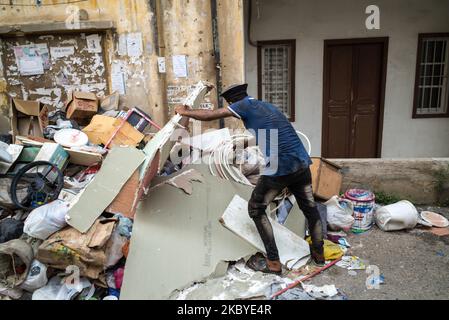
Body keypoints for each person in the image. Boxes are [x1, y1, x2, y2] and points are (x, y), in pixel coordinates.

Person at [175, 83, 324, 274]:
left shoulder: (242, 106)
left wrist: (184, 112)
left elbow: (210, 114)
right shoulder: (266, 106)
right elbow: (268, 132)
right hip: (301, 163)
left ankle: (273, 263)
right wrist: (243, 143)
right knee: (310, 209)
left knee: (256, 208)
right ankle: (319, 255)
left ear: (232, 101)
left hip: (280, 168)